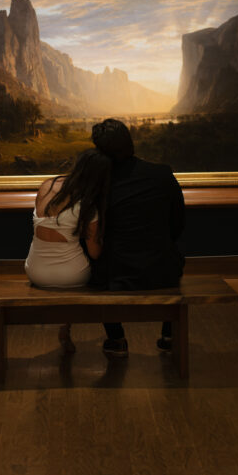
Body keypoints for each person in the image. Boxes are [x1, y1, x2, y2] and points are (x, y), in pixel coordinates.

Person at [89, 118, 185, 359]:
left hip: (116, 274)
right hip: (163, 270)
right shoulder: (163, 175)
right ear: (130, 143)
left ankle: (116, 338)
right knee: (169, 253)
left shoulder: (99, 184)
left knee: (96, 263)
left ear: (100, 152)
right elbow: (178, 225)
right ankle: (169, 335)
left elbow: (94, 234)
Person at [25, 147, 112, 351]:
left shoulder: (48, 185)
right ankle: (112, 333)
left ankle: (65, 327)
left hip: (34, 270)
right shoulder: (88, 204)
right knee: (97, 264)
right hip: (71, 276)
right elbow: (95, 253)